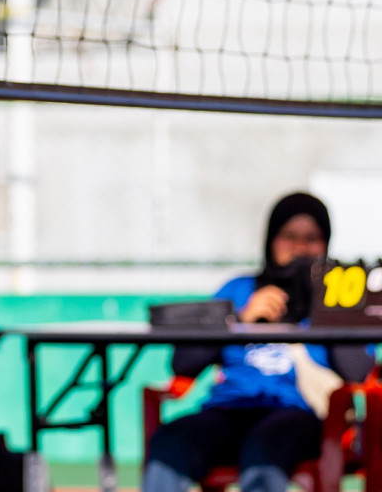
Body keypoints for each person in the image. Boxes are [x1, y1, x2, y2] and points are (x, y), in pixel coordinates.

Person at [143, 192, 373, 492]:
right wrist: (239, 320)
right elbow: (183, 363)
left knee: (264, 451)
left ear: (326, 244)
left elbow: (359, 372)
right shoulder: (238, 289)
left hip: (297, 414)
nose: (300, 247)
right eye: (289, 236)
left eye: (311, 238)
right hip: (229, 409)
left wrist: (331, 308)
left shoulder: (339, 296)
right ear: (270, 240)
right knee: (169, 444)